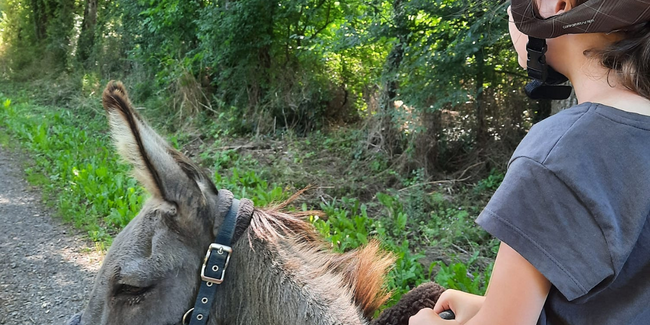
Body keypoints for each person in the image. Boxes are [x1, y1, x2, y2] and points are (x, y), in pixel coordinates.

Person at [409, 0, 650, 324]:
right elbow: (612, 303)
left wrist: (425, 322)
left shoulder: (562, 150)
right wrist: (492, 305)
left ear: (558, 5)